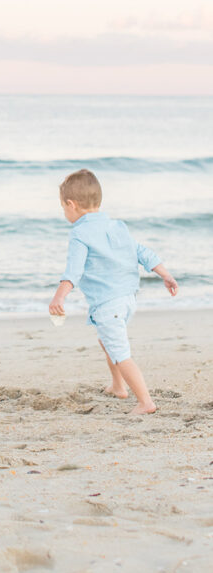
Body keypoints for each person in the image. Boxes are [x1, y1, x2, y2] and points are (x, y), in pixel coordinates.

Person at [48, 168, 178, 415]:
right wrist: (165, 274)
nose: (64, 213)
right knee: (107, 341)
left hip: (108, 304)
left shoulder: (80, 233)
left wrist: (59, 296)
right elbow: (142, 252)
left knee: (120, 352)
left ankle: (145, 402)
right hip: (127, 299)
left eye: (63, 208)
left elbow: (73, 271)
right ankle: (118, 386)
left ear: (71, 204)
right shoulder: (118, 226)